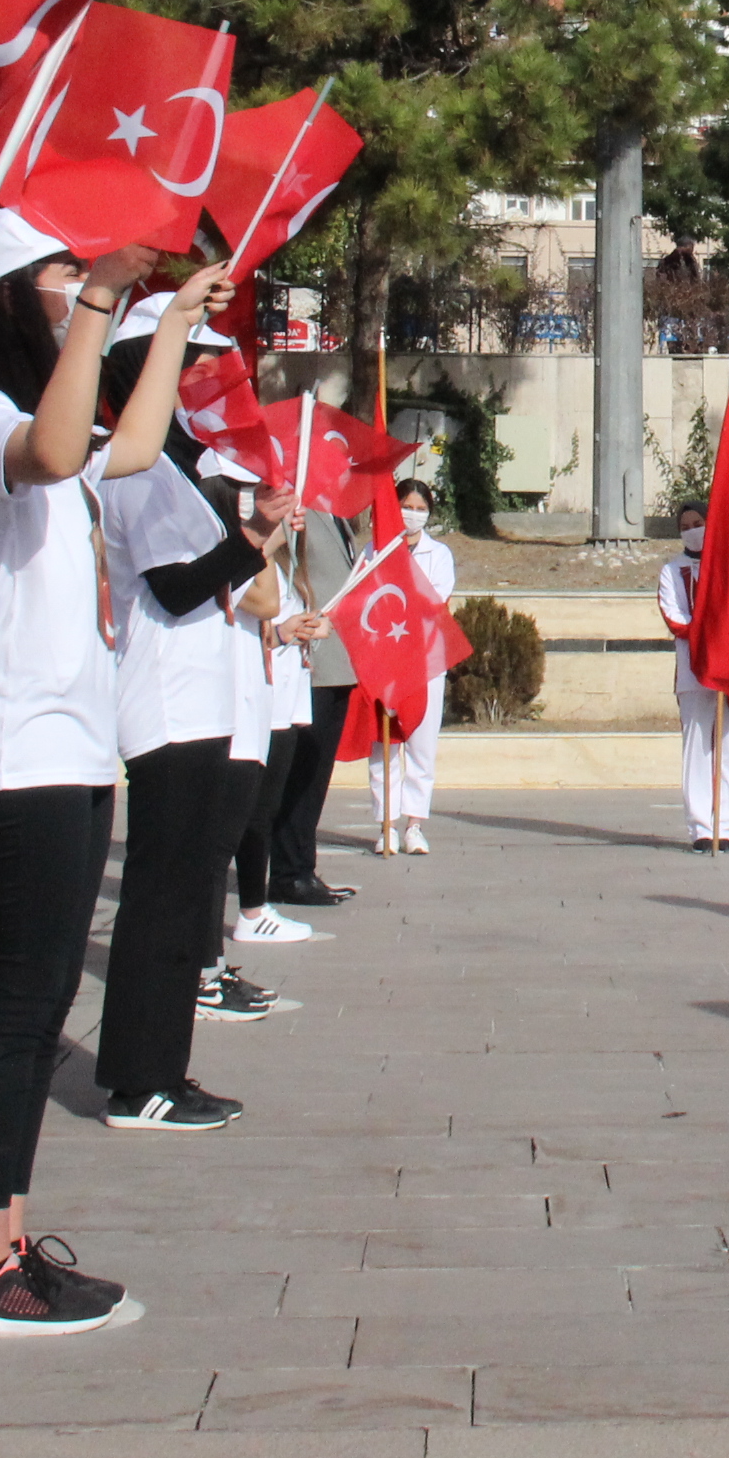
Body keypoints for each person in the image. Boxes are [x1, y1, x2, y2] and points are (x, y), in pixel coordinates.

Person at [0, 206, 160, 1334]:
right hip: (20, 732)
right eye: (60, 271)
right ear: (9, 293)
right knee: (18, 1000)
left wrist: (160, 332)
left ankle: (6, 1235)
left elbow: (131, 449)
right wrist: (104, 303)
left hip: (70, 732)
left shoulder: (30, 405)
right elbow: (59, 452)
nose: (77, 283)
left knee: (46, 994)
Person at [91, 278, 281, 1130]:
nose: (202, 380)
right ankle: (140, 1080)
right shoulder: (133, 467)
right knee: (162, 898)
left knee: (184, 893)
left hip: (198, 703)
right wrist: (249, 546)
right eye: (187, 363)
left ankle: (164, 1068)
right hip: (165, 704)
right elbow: (171, 588)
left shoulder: (173, 467)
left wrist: (254, 538)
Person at [265, 497, 357, 905]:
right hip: (307, 657)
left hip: (337, 657)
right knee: (299, 774)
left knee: (315, 776)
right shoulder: (295, 501)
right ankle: (288, 871)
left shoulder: (335, 511)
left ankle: (302, 865)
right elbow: (276, 564)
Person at [367, 476, 455, 853]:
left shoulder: (440, 555)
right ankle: (385, 823)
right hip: (383, 661)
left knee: (422, 743)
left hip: (425, 660)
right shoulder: (374, 551)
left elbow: (433, 600)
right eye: (407, 507)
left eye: (421, 510)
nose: (413, 515)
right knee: (384, 747)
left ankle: (414, 825)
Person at [658, 499, 729, 850]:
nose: (692, 530)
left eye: (697, 523)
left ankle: (725, 827)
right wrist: (709, 636)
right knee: (697, 749)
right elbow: (676, 618)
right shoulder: (671, 571)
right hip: (693, 671)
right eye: (684, 527)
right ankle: (701, 828)